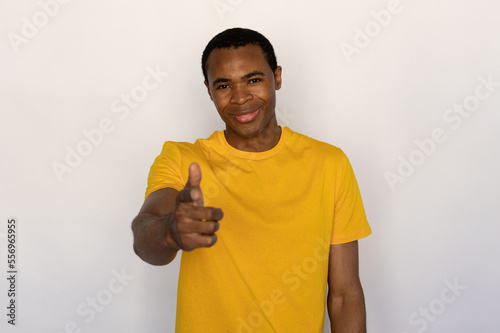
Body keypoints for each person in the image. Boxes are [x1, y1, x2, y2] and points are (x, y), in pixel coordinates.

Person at [131, 27, 372, 333]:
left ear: (278, 78)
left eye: (253, 80)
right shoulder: (182, 159)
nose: (240, 98)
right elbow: (144, 238)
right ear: (208, 90)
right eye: (223, 86)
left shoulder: (330, 164)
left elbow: (344, 295)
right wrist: (170, 232)